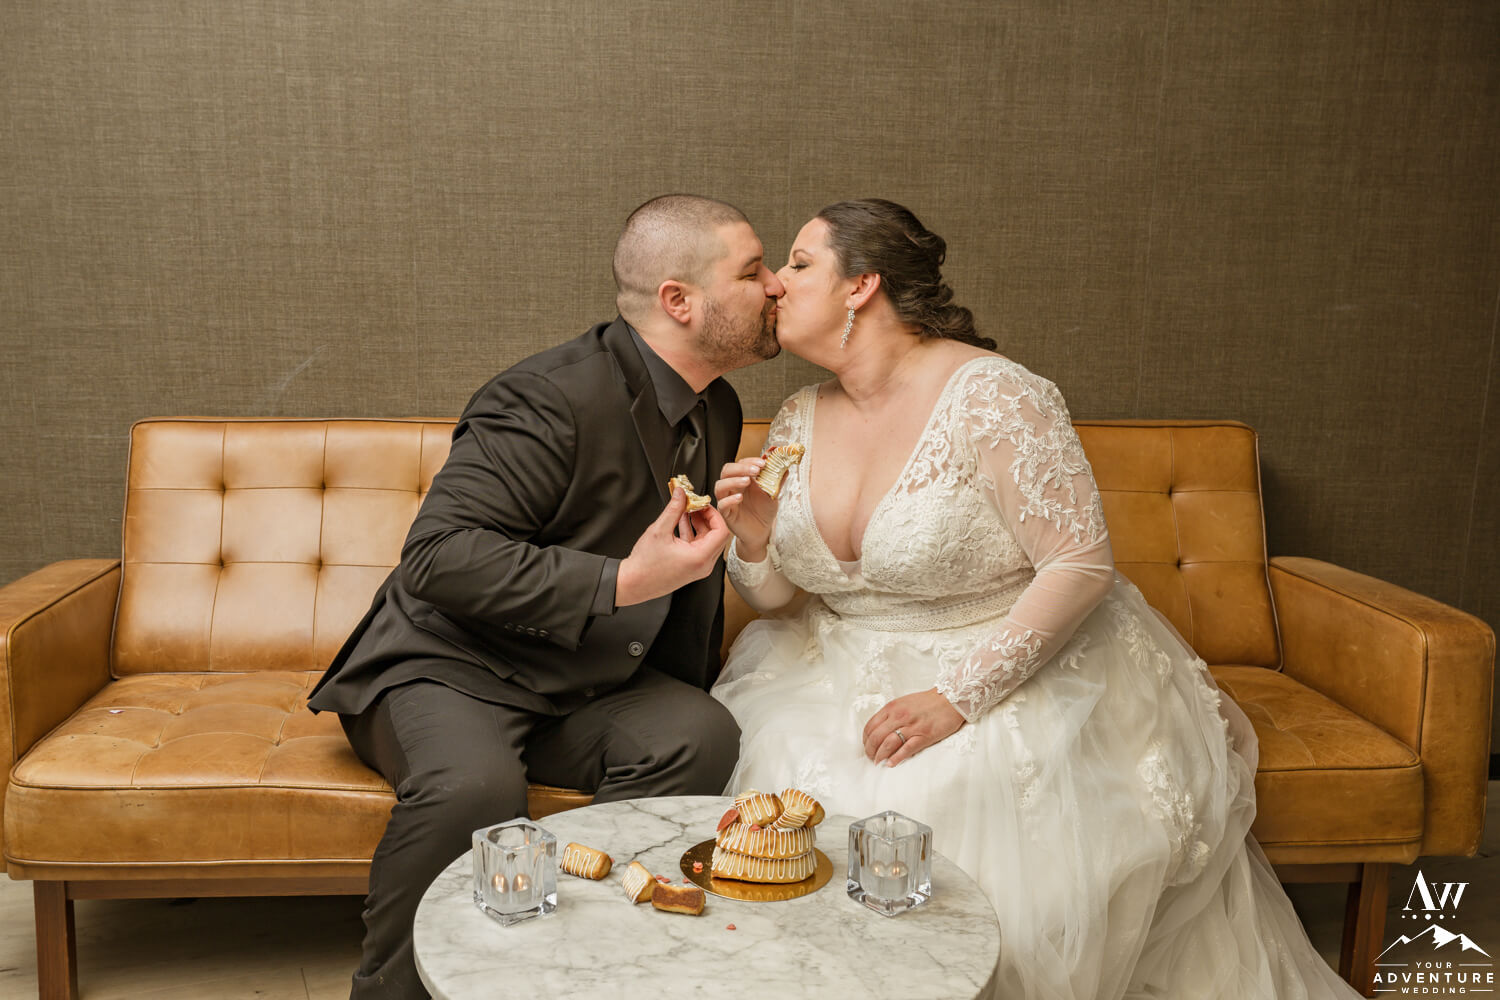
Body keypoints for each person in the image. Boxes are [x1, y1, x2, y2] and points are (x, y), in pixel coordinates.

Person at [711, 198, 1360, 999]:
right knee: (783, 796)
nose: (775, 283)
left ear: (862, 285)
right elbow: (780, 602)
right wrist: (753, 537)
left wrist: (956, 698)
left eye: (800, 263)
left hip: (1001, 659)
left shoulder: (994, 396)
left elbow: (1079, 565)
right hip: (829, 666)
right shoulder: (800, 417)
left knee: (930, 796)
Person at [308, 194, 785, 1000]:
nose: (775, 285)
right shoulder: (546, 396)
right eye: (753, 271)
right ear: (679, 301)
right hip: (449, 666)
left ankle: (577, 959)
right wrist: (622, 582)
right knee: (475, 789)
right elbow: (437, 557)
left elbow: (682, 571)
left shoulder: (719, 405)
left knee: (700, 734)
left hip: (581, 678)